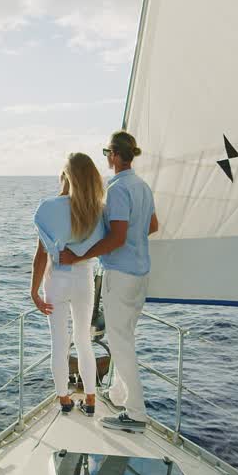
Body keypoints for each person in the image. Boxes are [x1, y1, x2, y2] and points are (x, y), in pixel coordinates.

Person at [60, 131, 158, 431]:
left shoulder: (116, 189)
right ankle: (118, 393)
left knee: (120, 341)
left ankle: (136, 412)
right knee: (124, 336)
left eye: (107, 153)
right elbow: (152, 226)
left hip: (121, 275)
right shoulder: (142, 186)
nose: (107, 158)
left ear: (114, 155)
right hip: (140, 273)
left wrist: (78, 257)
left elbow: (116, 237)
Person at [30, 152, 107, 415]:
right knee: (83, 340)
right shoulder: (98, 210)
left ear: (66, 177)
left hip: (57, 280)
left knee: (59, 344)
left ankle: (63, 399)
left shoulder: (48, 209)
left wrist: (34, 291)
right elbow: (102, 247)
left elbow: (41, 255)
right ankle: (91, 399)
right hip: (84, 280)